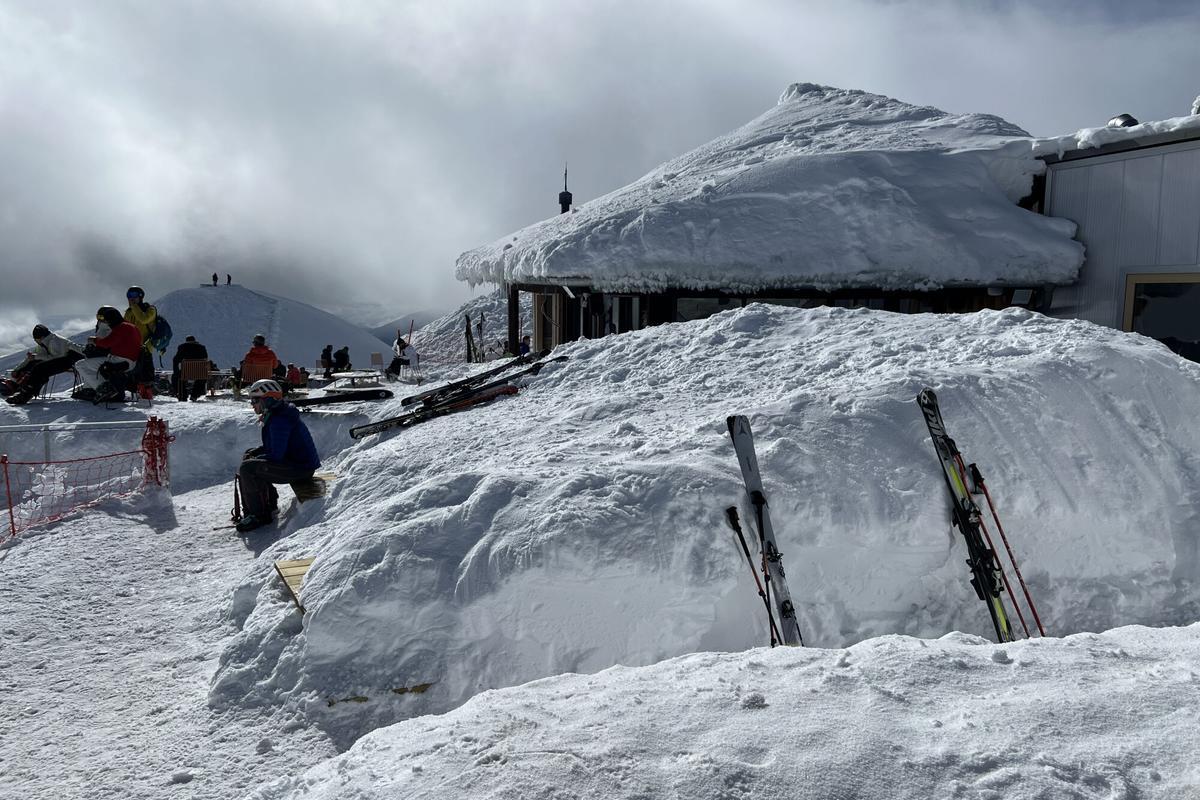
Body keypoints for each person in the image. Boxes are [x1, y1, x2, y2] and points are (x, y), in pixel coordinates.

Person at [235, 379, 321, 533]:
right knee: (251, 457)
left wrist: (254, 460)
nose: (252, 404)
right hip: (298, 464)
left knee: (248, 468)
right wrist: (254, 455)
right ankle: (268, 505)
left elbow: (276, 456)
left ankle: (259, 515)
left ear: (268, 399)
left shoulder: (279, 420)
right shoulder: (277, 414)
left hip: (301, 468)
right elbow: (274, 448)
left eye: (255, 400)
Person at [4, 325, 85, 405]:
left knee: (40, 368)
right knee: (33, 365)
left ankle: (25, 394)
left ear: (40, 337)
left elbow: (57, 357)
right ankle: (21, 389)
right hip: (61, 360)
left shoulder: (55, 341)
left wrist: (36, 357)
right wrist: (18, 369)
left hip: (68, 360)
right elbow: (30, 359)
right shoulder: (45, 342)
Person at [76, 306, 142, 401]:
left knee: (80, 365)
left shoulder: (121, 327)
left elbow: (107, 343)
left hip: (119, 360)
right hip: (132, 362)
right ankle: (104, 388)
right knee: (93, 365)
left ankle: (104, 390)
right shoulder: (132, 326)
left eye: (107, 321)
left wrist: (94, 340)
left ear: (112, 319)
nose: (106, 323)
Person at [172, 335, 210, 401]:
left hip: (185, 372)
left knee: (175, 377)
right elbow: (205, 359)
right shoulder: (202, 347)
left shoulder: (182, 347)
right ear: (194, 340)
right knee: (202, 378)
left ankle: (183, 395)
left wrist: (176, 371)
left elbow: (176, 360)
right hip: (199, 373)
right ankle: (194, 395)